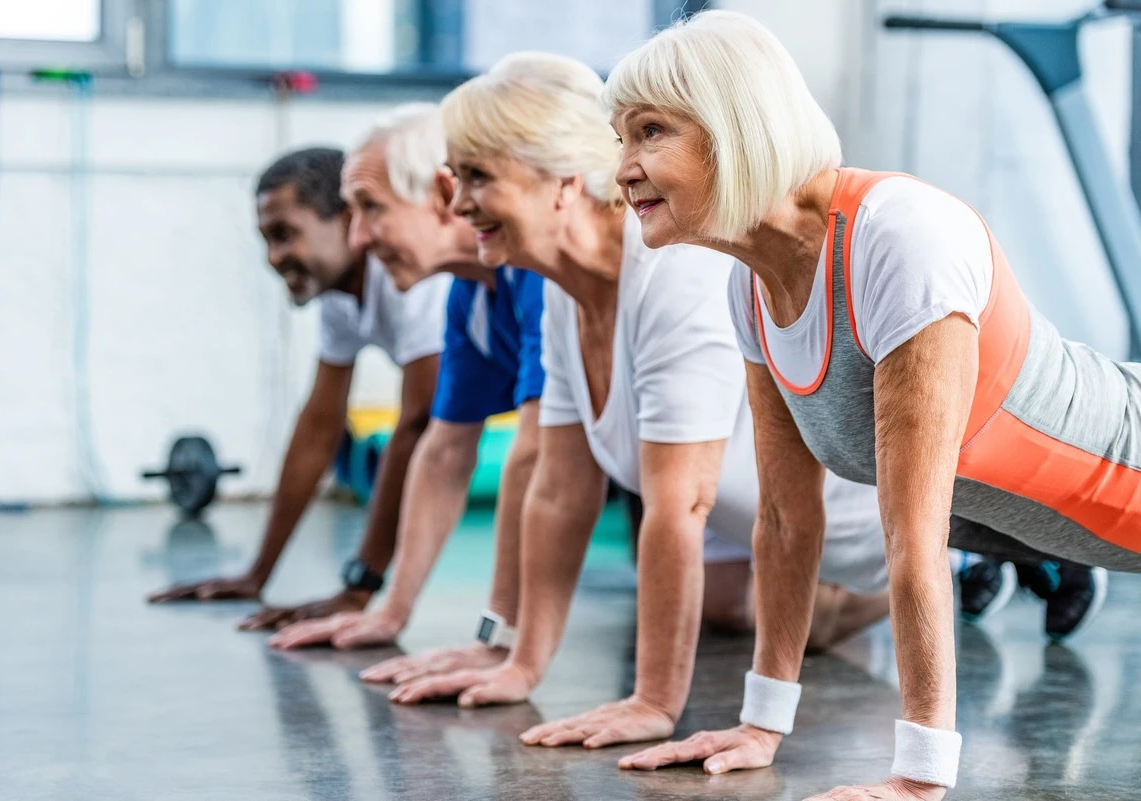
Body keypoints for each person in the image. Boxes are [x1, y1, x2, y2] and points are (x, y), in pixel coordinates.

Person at [601, 10, 1139, 800]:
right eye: (620, 138)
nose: (622, 168)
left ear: (733, 126)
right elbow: (787, 522)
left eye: (649, 132)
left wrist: (919, 778)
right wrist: (761, 724)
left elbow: (912, 532)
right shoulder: (751, 287)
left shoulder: (900, 238)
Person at [378, 53, 890, 751]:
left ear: (561, 180)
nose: (458, 203)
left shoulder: (674, 272)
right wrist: (520, 658)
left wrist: (654, 700)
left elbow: (679, 505)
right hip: (784, 542)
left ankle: (982, 567)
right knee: (730, 605)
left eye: (477, 177)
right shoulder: (563, 291)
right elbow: (559, 490)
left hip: (879, 539)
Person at [267, 106, 546, 679]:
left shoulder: (528, 277)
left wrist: (504, 644)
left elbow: (533, 456)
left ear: (442, 196)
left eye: (371, 210)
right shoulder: (466, 297)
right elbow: (442, 451)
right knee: (722, 606)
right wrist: (391, 609)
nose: (361, 237)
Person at [147, 147, 451, 630]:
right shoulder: (341, 294)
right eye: (266, 240)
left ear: (349, 221)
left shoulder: (412, 279)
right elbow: (318, 428)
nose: (274, 257)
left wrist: (357, 589)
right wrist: (257, 574)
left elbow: (418, 424)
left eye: (286, 235)